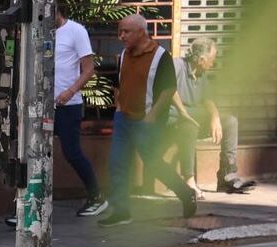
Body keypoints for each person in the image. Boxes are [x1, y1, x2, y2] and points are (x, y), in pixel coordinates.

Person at [99, 14, 196, 228]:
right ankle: (121, 211)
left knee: (153, 164)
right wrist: (119, 107)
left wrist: (152, 116)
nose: (121, 36)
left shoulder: (161, 56)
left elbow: (169, 88)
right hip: (124, 118)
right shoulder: (124, 54)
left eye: (126, 31)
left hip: (147, 120)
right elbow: (119, 82)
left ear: (141, 32)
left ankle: (185, 192)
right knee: (118, 163)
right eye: (120, 31)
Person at [169, 37, 255, 197]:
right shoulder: (177, 65)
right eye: (212, 59)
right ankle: (189, 182)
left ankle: (226, 176)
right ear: (201, 59)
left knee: (230, 121)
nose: (213, 63)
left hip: (192, 118)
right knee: (190, 125)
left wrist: (215, 117)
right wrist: (184, 113)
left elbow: (207, 99)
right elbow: (169, 89)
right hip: (174, 119)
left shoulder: (201, 74)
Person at [54, 1, 108, 216]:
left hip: (68, 104)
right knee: (31, 154)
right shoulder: (36, 31)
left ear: (56, 9)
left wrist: (70, 91)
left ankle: (97, 197)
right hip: (40, 105)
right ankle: (27, 204)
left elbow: (89, 69)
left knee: (72, 152)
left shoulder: (76, 31)